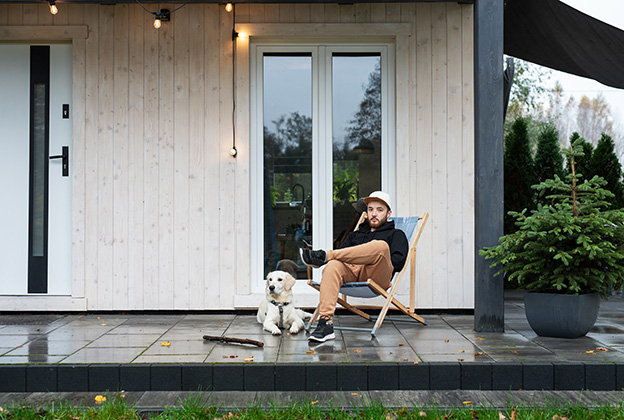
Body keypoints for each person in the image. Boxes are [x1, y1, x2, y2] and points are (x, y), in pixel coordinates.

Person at [299, 191, 408, 342]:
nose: (374, 214)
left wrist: (370, 256)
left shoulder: (396, 234)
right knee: (333, 266)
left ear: (388, 214)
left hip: (377, 276)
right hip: (352, 274)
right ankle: (325, 324)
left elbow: (398, 263)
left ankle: (324, 255)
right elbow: (342, 255)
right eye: (370, 209)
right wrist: (351, 259)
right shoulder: (355, 235)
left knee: (381, 246)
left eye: (379, 210)